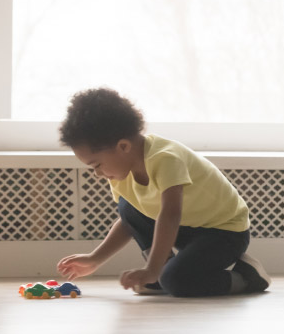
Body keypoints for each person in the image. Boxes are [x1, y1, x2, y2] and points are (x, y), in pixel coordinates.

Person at [56, 87, 271, 297]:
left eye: (96, 165)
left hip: (224, 233)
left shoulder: (165, 158)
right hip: (187, 229)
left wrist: (151, 268)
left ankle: (247, 278)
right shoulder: (121, 172)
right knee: (127, 208)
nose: (97, 174)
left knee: (178, 281)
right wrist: (95, 258)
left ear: (123, 146)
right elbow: (129, 222)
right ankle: (160, 276)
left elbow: (170, 215)